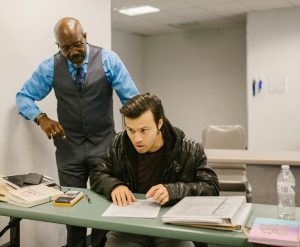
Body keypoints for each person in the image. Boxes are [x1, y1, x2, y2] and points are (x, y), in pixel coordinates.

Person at [16, 17, 139, 247]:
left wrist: (134, 135)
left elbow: (132, 100)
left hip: (104, 146)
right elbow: (23, 97)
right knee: (72, 209)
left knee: (105, 204)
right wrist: (41, 118)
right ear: (58, 46)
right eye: (66, 47)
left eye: (77, 44)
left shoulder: (108, 60)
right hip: (68, 150)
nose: (73, 51)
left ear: (85, 36)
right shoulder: (49, 67)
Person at [90, 93, 219, 247]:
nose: (136, 138)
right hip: (129, 226)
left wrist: (174, 191)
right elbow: (97, 173)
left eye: (144, 130)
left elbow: (211, 187)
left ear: (159, 124)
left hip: (172, 227)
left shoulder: (190, 149)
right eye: (130, 130)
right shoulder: (119, 143)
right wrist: (114, 185)